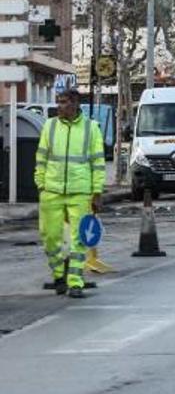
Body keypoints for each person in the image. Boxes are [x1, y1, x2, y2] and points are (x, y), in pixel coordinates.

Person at [36, 88, 106, 298]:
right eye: (58, 102)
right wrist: (40, 184)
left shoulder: (90, 128)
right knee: (50, 236)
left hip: (80, 192)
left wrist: (97, 191)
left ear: (75, 104)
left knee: (78, 239)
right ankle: (59, 274)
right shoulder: (49, 126)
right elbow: (41, 158)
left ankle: (75, 282)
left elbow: (98, 162)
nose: (60, 106)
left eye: (64, 102)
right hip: (51, 190)